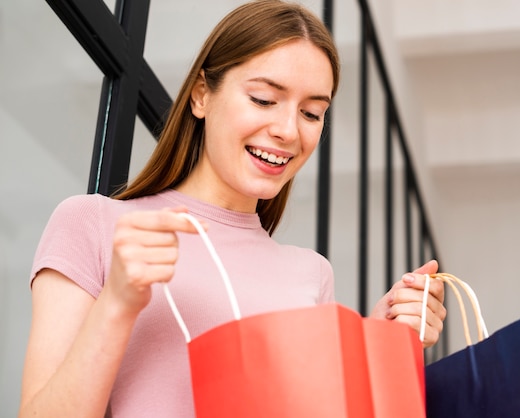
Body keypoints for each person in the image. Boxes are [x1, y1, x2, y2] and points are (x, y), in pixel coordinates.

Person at [19, 1, 446, 417]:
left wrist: (378, 348)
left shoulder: (312, 273)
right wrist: (117, 304)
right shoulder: (94, 225)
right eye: (263, 99)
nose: (287, 130)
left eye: (312, 113)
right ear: (202, 95)